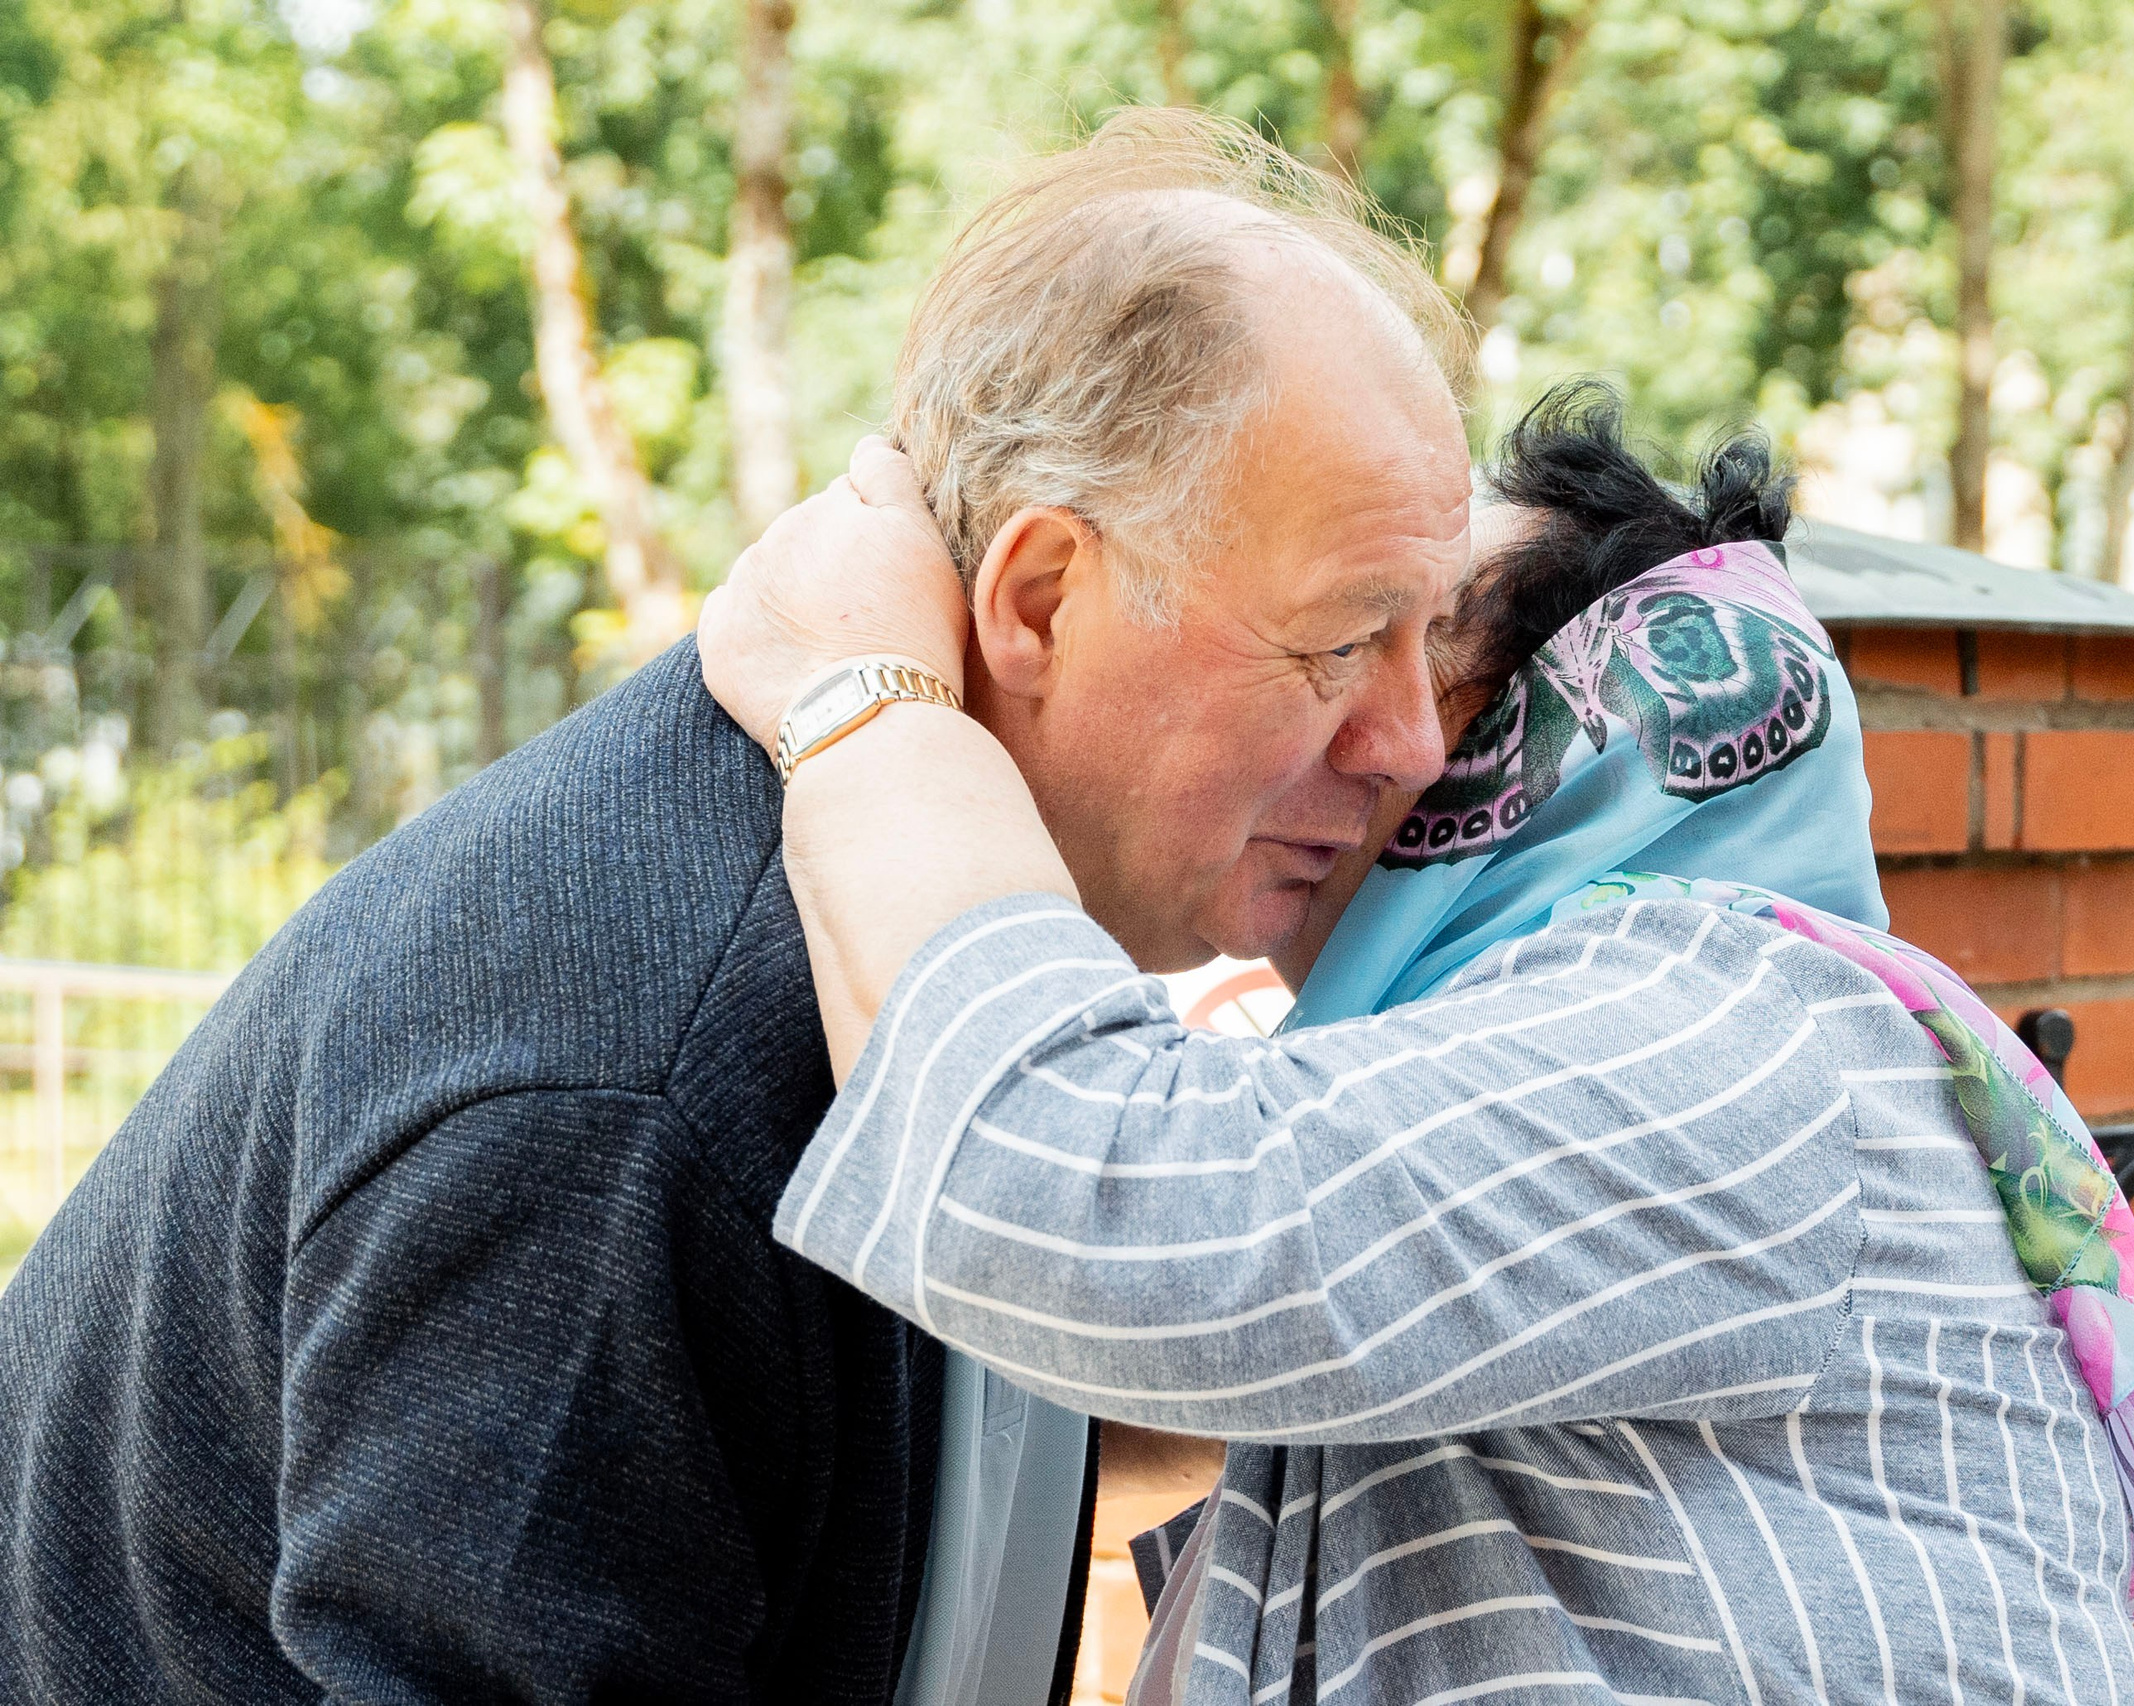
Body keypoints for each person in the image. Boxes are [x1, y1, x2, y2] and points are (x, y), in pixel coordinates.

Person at [0, 109, 1472, 1703]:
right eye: (1343, 639)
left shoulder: (914, 948)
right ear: (1042, 597)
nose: (1412, 742)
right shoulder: (634, 1086)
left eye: (1429, 641)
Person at [696, 383, 2134, 1703]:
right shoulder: (1632, 1038)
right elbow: (1123, 1385)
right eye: (1347, 647)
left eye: (1414, 648)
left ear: (1575, 713)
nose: (1383, 727)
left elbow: (1098, 1202)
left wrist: (867, 701)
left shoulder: (1731, 1023)